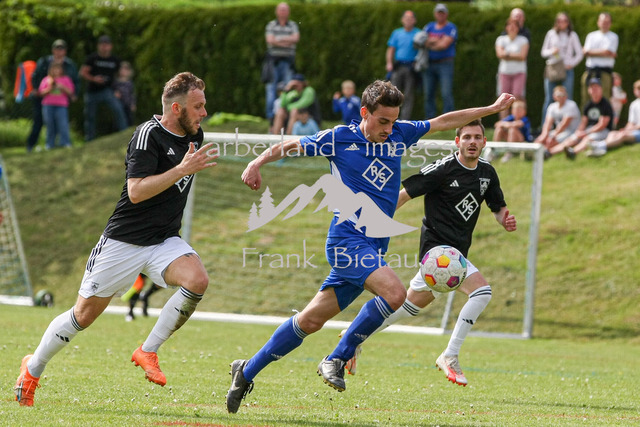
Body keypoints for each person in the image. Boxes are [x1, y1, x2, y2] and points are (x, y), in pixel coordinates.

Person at [225, 79, 515, 413]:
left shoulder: (399, 134)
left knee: (310, 321)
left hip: (374, 247)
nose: (389, 129)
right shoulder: (339, 139)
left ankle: (246, 370)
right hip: (347, 240)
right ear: (364, 112)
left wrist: (491, 109)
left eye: (393, 121)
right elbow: (292, 144)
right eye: (382, 121)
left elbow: (443, 121)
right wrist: (256, 162)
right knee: (395, 294)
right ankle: (336, 358)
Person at [14, 72, 219, 407]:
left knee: (197, 280)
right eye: (198, 106)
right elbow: (136, 192)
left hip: (163, 240)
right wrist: (182, 170)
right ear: (176, 108)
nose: (204, 113)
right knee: (82, 316)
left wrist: (184, 168)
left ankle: (148, 351)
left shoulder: (194, 134)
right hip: (124, 242)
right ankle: (32, 368)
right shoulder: (147, 135)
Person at [340, 119, 517, 386]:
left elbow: (497, 207)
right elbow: (403, 195)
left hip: (456, 253)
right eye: (466, 137)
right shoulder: (443, 169)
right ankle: (450, 355)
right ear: (457, 142)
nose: (472, 142)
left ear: (484, 142)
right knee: (482, 292)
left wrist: (505, 220)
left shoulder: (487, 173)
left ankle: (353, 336)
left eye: (477, 137)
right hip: (437, 252)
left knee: (408, 307)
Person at [26, 39, 79, 152]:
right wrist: (37, 89)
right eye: (57, 49)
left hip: (61, 101)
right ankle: (32, 145)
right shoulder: (44, 62)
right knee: (40, 122)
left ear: (65, 51)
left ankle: (63, 143)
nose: (59, 51)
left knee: (62, 123)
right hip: (43, 99)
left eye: (61, 49)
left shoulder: (69, 65)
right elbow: (35, 76)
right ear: (53, 50)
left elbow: (75, 81)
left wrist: (74, 94)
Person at [80, 35, 128, 141]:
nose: (104, 47)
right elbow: (83, 72)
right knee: (90, 116)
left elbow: (120, 75)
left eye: (106, 45)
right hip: (92, 91)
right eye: (102, 45)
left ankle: (124, 133)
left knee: (118, 109)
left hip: (107, 90)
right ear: (98, 46)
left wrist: (118, 89)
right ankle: (89, 139)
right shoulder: (92, 58)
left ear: (110, 46)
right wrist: (94, 79)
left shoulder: (115, 60)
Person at [549, 77, 612, 160]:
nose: (594, 90)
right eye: (592, 87)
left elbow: (602, 125)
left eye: (596, 87)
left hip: (603, 131)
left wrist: (586, 132)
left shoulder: (605, 104)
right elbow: (583, 122)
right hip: (589, 130)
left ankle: (573, 152)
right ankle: (549, 152)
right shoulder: (588, 105)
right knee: (572, 138)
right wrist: (579, 132)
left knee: (587, 138)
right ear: (589, 90)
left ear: (601, 89)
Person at [540, 12, 583, 125]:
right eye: (559, 21)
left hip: (566, 69)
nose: (562, 23)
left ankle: (569, 126)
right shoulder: (551, 33)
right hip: (553, 69)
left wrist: (571, 64)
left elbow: (579, 53)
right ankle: (545, 127)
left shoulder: (572, 35)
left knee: (567, 98)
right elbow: (543, 52)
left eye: (564, 21)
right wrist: (552, 51)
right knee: (549, 98)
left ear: (568, 22)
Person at [264, 2, 300, 121]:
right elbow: (270, 40)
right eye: (281, 10)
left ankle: (286, 116)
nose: (283, 12)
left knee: (288, 89)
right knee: (271, 89)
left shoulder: (293, 25)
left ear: (288, 12)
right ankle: (271, 118)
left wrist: (278, 40)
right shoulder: (271, 25)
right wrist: (287, 41)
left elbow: (296, 38)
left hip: (288, 62)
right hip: (273, 63)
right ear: (277, 12)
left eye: (285, 10)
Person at [421, 3, 457, 119]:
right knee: (428, 94)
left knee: (446, 93)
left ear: (446, 14)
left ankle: (448, 120)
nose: (440, 15)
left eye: (442, 13)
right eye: (438, 13)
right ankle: (430, 120)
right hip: (429, 63)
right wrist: (438, 40)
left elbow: (444, 45)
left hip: (445, 63)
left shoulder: (451, 27)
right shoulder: (429, 26)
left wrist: (430, 42)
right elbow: (421, 41)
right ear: (435, 14)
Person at [386, 10, 420, 120]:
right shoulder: (397, 33)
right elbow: (391, 49)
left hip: (411, 68)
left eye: (410, 18)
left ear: (414, 20)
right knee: (393, 93)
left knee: (408, 95)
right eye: (406, 18)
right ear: (402, 20)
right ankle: (391, 117)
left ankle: (405, 119)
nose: (408, 21)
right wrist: (389, 63)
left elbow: (422, 51)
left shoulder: (418, 33)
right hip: (398, 66)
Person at [580, 12, 618, 110]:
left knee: (604, 100)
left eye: (607, 22)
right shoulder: (591, 36)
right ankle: (586, 119)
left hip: (604, 74)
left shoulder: (613, 36)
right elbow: (585, 52)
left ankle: (604, 120)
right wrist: (604, 53)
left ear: (610, 23)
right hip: (590, 72)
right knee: (586, 100)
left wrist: (590, 52)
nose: (604, 24)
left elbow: (607, 51)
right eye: (602, 21)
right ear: (598, 22)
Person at [495, 18, 529, 119]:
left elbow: (522, 56)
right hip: (504, 72)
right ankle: (503, 123)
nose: (512, 28)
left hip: (519, 72)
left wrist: (507, 54)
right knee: (503, 99)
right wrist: (515, 54)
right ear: (506, 27)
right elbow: (500, 54)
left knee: (517, 97)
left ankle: (517, 123)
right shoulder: (501, 39)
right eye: (510, 25)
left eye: (515, 26)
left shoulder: (523, 40)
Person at [38, 63, 75, 150]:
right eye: (54, 69)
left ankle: (65, 142)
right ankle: (50, 144)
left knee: (63, 124)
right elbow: (41, 92)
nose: (56, 71)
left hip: (61, 105)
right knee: (50, 125)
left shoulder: (66, 79)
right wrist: (50, 88)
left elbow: (71, 92)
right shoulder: (46, 79)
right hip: (48, 105)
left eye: (58, 69)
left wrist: (62, 87)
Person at [599, 79, 640, 156]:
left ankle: (601, 146)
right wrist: (625, 129)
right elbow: (631, 122)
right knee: (612, 133)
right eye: (637, 89)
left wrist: (629, 130)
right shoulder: (634, 104)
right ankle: (602, 146)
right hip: (634, 130)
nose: (638, 91)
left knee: (623, 136)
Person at [535, 85, 581, 153]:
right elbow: (547, 123)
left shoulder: (571, 105)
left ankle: (543, 153)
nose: (561, 97)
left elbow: (564, 124)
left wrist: (553, 136)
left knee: (551, 141)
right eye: (559, 95)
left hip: (571, 132)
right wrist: (544, 135)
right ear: (554, 96)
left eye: (563, 95)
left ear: (566, 96)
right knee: (539, 140)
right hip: (559, 131)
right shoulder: (552, 107)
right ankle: (535, 152)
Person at [114, 61, 137, 127]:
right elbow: (113, 90)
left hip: (128, 103)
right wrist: (115, 93)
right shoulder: (116, 82)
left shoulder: (129, 83)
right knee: (120, 116)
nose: (123, 71)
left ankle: (129, 127)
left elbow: (132, 94)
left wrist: (133, 104)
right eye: (121, 70)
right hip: (120, 102)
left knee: (129, 117)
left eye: (125, 70)